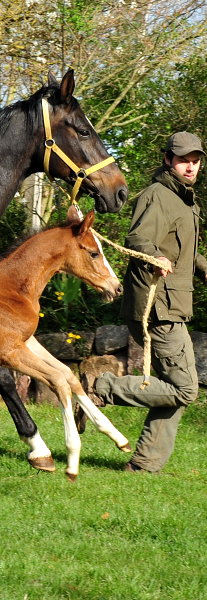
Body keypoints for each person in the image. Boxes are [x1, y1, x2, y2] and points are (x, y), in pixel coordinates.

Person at [76, 131, 207, 473]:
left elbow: (185, 253)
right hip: (157, 304)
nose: (190, 167)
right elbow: (138, 238)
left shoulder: (186, 201)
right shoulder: (157, 195)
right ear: (168, 160)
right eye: (183, 160)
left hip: (174, 303)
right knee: (185, 389)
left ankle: (145, 465)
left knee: (176, 388)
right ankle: (97, 387)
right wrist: (154, 258)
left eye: (195, 161)